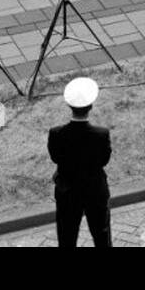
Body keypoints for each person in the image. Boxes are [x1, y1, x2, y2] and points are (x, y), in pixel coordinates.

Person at [47, 77, 112, 249]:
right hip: (95, 190)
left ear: (70, 107)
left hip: (67, 191)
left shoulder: (56, 133)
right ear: (90, 107)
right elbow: (104, 160)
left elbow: (55, 157)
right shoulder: (101, 134)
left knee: (67, 237)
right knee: (101, 235)